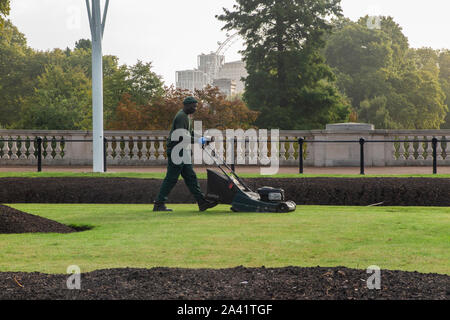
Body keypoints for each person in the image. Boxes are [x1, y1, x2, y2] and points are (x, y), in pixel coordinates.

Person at [153, 96, 218, 212]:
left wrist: (203, 138)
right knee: (171, 178)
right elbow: (183, 136)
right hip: (176, 151)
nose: (195, 108)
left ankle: (202, 202)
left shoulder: (187, 117)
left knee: (191, 177)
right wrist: (201, 140)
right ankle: (159, 203)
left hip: (183, 151)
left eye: (196, 106)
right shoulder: (181, 117)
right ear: (187, 105)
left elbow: (190, 132)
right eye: (194, 106)